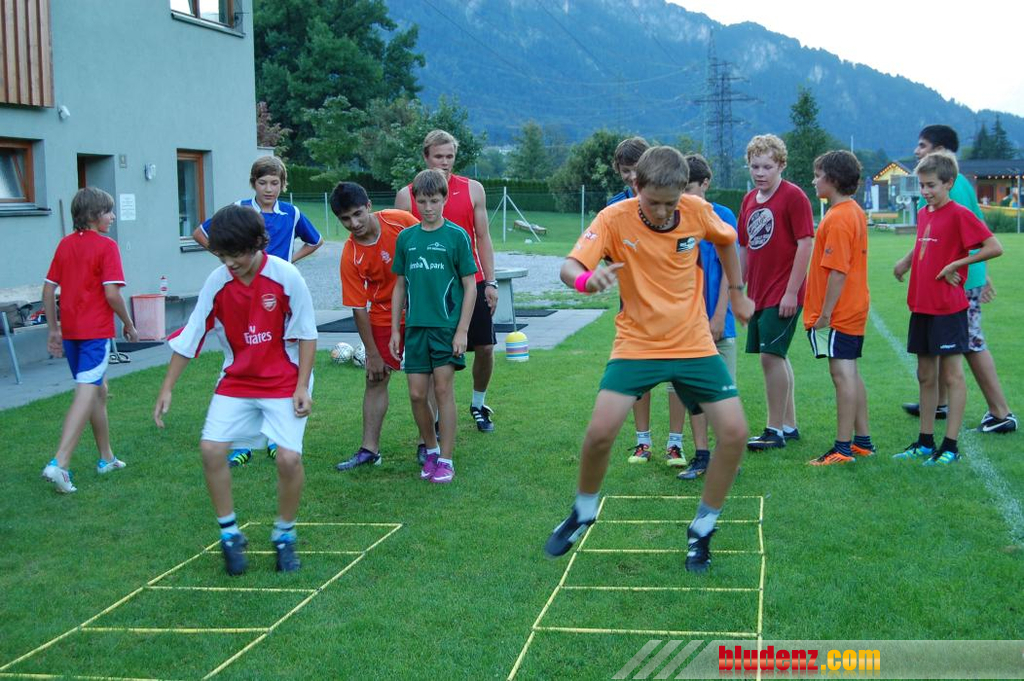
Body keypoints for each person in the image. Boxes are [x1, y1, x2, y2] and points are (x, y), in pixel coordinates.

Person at [543, 147, 754, 573]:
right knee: (600, 433)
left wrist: (736, 294)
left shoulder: (697, 210)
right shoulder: (613, 218)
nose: (661, 212)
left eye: (670, 203)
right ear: (635, 186)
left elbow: (728, 242)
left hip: (693, 342)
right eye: (653, 201)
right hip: (637, 343)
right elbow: (569, 267)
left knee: (734, 434)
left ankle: (703, 526)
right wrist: (587, 280)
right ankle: (583, 510)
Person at [154, 204, 317, 574]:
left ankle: (284, 535)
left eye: (237, 255)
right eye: (222, 256)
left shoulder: (286, 276)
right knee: (211, 450)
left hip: (284, 379)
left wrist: (302, 387)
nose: (230, 263)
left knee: (288, 459)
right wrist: (167, 388)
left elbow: (308, 333)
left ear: (258, 244)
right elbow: (192, 334)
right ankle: (230, 534)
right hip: (237, 380)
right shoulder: (218, 281)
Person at [192, 156, 324, 467]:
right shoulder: (239, 209)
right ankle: (241, 442)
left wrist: (289, 262)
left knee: (282, 354)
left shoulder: (291, 213)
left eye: (274, 183)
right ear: (253, 184)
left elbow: (315, 240)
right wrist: (228, 258)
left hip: (277, 296)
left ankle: (279, 436)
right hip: (244, 294)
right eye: (262, 182)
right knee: (243, 353)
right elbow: (200, 232)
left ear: (282, 185)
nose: (268, 188)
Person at [899, 125, 1017, 433]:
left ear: (939, 151)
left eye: (922, 145)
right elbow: (933, 235)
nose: (916, 151)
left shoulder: (955, 186)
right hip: (949, 278)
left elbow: (972, 234)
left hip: (957, 282)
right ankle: (939, 403)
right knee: (944, 345)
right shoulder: (934, 194)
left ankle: (1001, 412)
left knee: (970, 342)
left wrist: (975, 273)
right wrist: (908, 261)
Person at [892, 151, 1003, 465]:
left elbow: (994, 246)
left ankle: (951, 446)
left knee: (952, 376)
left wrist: (958, 263)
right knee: (925, 375)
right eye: (922, 185)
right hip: (921, 304)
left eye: (931, 185)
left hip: (948, 307)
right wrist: (906, 262)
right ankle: (925, 442)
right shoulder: (924, 212)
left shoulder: (959, 214)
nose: (925, 191)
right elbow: (924, 242)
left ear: (948, 183)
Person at [395, 130, 498, 433]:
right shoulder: (407, 195)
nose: (444, 162)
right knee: (431, 362)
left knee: (486, 347)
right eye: (438, 156)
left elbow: (483, 237)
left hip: (470, 281)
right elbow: (403, 246)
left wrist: (491, 282)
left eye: (449, 156)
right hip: (430, 289)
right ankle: (436, 422)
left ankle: (478, 404)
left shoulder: (473, 189)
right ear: (425, 157)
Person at [40, 187, 139, 494]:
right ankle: (60, 463)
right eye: (109, 212)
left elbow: (48, 290)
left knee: (98, 390)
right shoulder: (107, 246)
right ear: (95, 216)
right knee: (86, 393)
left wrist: (54, 329)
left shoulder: (65, 244)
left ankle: (106, 458)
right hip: (95, 334)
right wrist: (129, 324)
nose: (113, 217)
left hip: (71, 333)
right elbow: (112, 294)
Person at [390, 169, 478, 484]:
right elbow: (400, 286)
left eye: (434, 201)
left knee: (442, 391)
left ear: (444, 199)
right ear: (414, 200)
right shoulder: (406, 238)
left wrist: (462, 330)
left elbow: (470, 286)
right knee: (417, 395)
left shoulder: (457, 236)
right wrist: (395, 329)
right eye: (423, 201)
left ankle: (447, 459)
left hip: (445, 328)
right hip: (415, 328)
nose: (428, 208)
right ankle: (431, 449)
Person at [330, 182, 421, 471]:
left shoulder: (400, 221)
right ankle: (369, 450)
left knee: (425, 379)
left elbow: (431, 244)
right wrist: (372, 353)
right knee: (375, 379)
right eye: (345, 219)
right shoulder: (350, 254)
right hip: (383, 316)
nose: (354, 223)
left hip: (421, 312)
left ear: (369, 206)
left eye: (358, 214)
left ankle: (427, 444)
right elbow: (358, 307)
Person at [738, 134, 814, 450]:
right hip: (757, 293)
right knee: (775, 356)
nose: (760, 173)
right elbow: (744, 246)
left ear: (781, 165)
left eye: (767, 166)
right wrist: (738, 289)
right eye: (755, 166)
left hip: (781, 293)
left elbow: (806, 243)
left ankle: (774, 431)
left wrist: (791, 292)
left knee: (770, 357)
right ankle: (788, 426)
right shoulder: (748, 200)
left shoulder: (794, 197)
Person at [803, 151, 875, 465]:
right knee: (851, 374)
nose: (814, 181)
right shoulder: (852, 211)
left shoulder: (839, 217)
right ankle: (862, 442)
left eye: (818, 175)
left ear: (832, 179)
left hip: (841, 312)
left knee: (842, 375)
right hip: (853, 307)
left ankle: (842, 449)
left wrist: (826, 314)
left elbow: (837, 271)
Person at [676, 154, 740, 480]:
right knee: (695, 393)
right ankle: (701, 456)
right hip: (686, 324)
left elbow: (730, 270)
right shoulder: (673, 219)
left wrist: (717, 317)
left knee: (722, 392)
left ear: (705, 184)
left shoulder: (723, 216)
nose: (684, 197)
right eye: (680, 190)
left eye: (689, 189)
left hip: (719, 321)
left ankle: (727, 456)